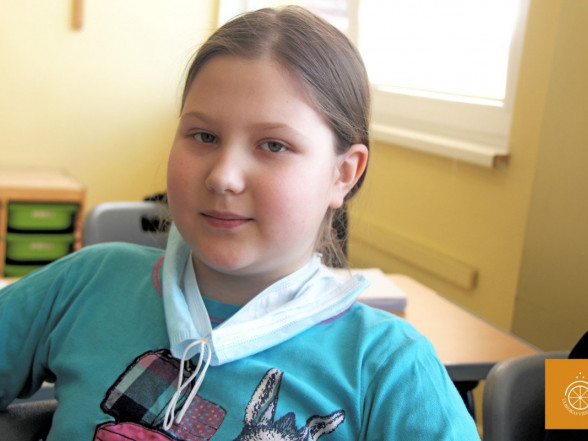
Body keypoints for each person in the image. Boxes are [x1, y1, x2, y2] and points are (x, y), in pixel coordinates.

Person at [0, 6, 480, 440]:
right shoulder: (85, 285)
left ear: (342, 174)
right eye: (203, 135)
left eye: (273, 145)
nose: (223, 176)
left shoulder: (388, 366)